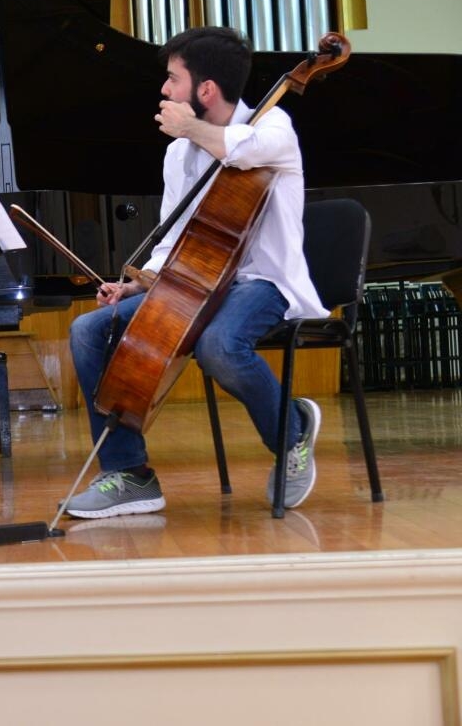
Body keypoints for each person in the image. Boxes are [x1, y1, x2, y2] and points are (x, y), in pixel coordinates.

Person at [65, 26, 326, 519]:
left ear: (205, 90)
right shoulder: (177, 154)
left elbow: (240, 151)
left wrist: (189, 129)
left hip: (262, 283)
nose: (164, 91)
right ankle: (130, 474)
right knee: (88, 330)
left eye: (173, 80)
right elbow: (172, 240)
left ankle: (292, 433)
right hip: (196, 284)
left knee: (220, 346)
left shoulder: (274, 130)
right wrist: (137, 282)